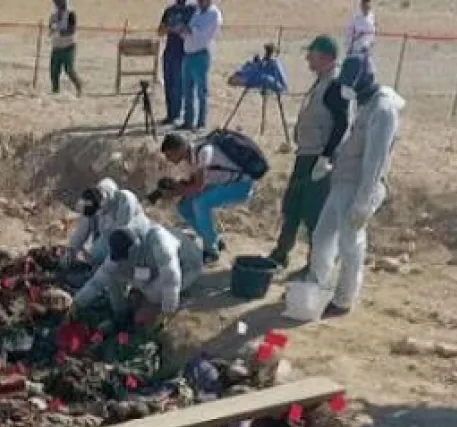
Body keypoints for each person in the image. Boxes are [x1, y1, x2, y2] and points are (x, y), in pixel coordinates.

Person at [306, 55, 403, 316]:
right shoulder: (362, 103)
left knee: (351, 245)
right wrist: (330, 160)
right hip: (342, 181)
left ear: (363, 82)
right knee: (322, 236)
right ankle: (317, 286)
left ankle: (343, 300)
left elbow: (375, 160)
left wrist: (363, 201)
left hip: (360, 186)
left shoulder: (383, 111)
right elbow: (351, 140)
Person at [268, 35, 348, 268]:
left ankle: (316, 264)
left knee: (314, 212)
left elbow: (342, 123)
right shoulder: (322, 81)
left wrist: (326, 157)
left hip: (318, 157)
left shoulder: (335, 85)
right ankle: (281, 253)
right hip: (306, 154)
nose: (307, 59)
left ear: (325, 57)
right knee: (292, 205)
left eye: (311, 54)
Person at [160, 130, 258, 263]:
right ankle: (213, 239)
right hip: (225, 185)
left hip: (241, 186)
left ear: (179, 149)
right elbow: (194, 184)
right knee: (184, 206)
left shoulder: (203, 153)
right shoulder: (192, 157)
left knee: (200, 203)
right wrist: (177, 186)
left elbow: (198, 187)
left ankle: (211, 251)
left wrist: (175, 191)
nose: (168, 159)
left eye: (169, 155)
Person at [72, 224, 203, 321]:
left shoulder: (160, 243)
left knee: (152, 295)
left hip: (186, 266)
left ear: (134, 248)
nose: (122, 260)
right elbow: (99, 280)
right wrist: (77, 303)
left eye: (125, 257)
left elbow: (171, 279)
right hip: (153, 269)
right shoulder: (120, 248)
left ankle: (148, 299)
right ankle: (120, 312)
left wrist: (166, 311)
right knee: (115, 273)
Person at [64, 177, 152, 268]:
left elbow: (120, 235)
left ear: (102, 204)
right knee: (93, 255)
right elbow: (83, 227)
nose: (96, 215)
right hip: (108, 237)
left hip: (136, 239)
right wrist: (72, 249)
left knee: (100, 257)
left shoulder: (125, 200)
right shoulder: (94, 202)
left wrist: (94, 258)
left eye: (97, 212)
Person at [177, 0, 221, 130]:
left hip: (201, 54)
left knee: (201, 91)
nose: (199, 2)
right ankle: (188, 121)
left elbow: (204, 35)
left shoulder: (214, 14)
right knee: (187, 90)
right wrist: (182, 30)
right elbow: (188, 32)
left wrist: (190, 30)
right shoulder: (197, 13)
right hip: (188, 53)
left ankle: (201, 122)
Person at [157, 0, 193, 125]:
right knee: (168, 84)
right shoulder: (169, 10)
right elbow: (160, 31)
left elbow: (190, 31)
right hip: (169, 51)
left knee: (178, 85)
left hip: (183, 52)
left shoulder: (191, 10)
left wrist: (178, 29)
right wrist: (169, 28)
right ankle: (170, 114)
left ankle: (177, 115)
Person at [47, 0, 80, 96]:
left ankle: (79, 87)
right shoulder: (53, 15)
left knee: (69, 70)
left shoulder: (70, 14)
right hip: (56, 46)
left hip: (68, 46)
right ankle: (55, 90)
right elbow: (50, 28)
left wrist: (59, 31)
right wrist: (52, 30)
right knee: (54, 71)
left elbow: (72, 30)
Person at [343, 0, 375, 64]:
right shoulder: (355, 18)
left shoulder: (372, 18)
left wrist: (371, 42)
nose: (367, 7)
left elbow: (372, 34)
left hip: (366, 51)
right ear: (361, 6)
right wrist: (357, 36)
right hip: (355, 52)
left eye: (368, 5)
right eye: (364, 5)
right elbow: (348, 35)